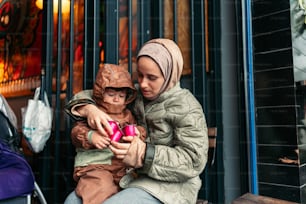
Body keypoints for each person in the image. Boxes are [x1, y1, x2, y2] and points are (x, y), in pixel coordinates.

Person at [64, 38, 208, 204]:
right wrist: (90, 109)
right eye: (140, 75)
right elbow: (95, 94)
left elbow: (193, 160)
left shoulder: (187, 107)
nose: (143, 84)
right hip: (131, 177)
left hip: (169, 187)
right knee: (73, 201)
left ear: (170, 75)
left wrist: (144, 154)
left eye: (152, 78)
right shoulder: (136, 96)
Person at [70, 64, 146, 204]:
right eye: (111, 95)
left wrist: (137, 133)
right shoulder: (94, 112)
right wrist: (91, 136)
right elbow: (77, 132)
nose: (116, 99)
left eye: (121, 95)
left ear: (127, 97)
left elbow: (140, 131)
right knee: (99, 188)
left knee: (125, 189)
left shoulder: (128, 114)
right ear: (100, 93)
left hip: (121, 166)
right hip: (95, 165)